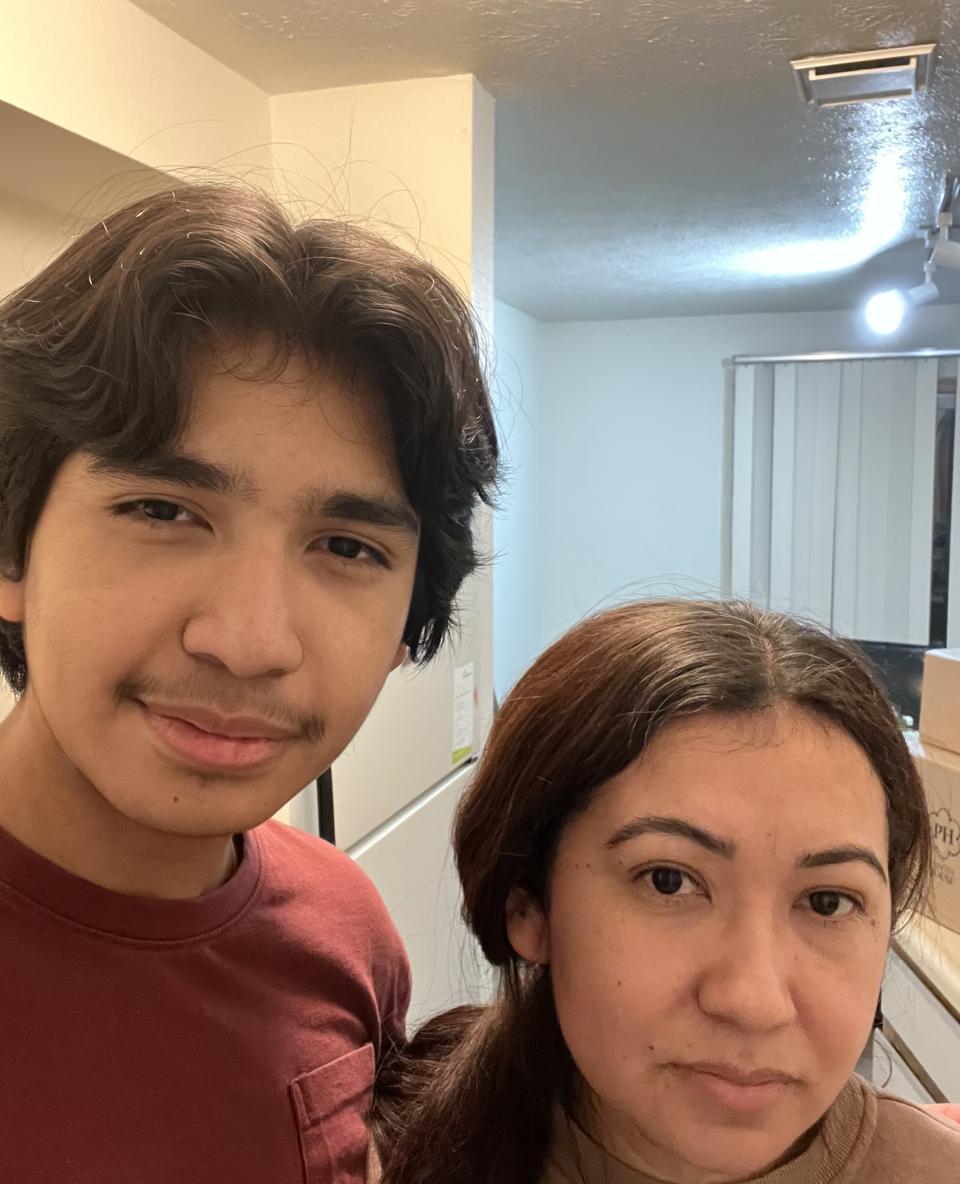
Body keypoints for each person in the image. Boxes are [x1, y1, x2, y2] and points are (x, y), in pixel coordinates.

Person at [0, 184, 498, 1183]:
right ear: (12, 551)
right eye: (162, 510)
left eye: (347, 546)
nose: (249, 642)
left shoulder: (347, 929)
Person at [373, 599, 960, 1184]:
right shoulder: (382, 1151)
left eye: (828, 902)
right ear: (526, 905)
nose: (754, 1003)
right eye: (668, 881)